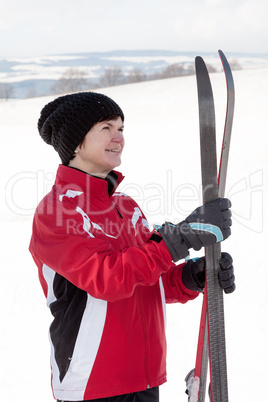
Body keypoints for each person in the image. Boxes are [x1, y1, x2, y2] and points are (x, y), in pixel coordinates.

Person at [29, 92, 235, 402]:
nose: (119, 138)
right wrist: (181, 238)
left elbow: (151, 277)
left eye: (121, 128)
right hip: (93, 384)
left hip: (144, 377)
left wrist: (190, 277)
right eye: (106, 128)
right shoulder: (57, 211)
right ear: (75, 142)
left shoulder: (126, 206)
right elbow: (108, 279)